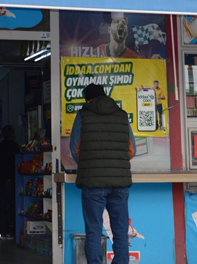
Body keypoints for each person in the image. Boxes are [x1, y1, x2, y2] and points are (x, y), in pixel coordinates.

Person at [70, 83, 136, 264]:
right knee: (120, 231)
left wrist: (90, 165)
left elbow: (75, 150)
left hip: (93, 185)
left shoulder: (82, 115)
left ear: (88, 100)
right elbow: (132, 151)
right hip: (120, 184)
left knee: (94, 230)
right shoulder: (122, 115)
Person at [0, 125, 20, 239]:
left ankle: (1, 228)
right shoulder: (13, 146)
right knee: (15, 204)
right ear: (12, 135)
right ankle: (2, 225)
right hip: (9, 179)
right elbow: (16, 162)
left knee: (1, 205)